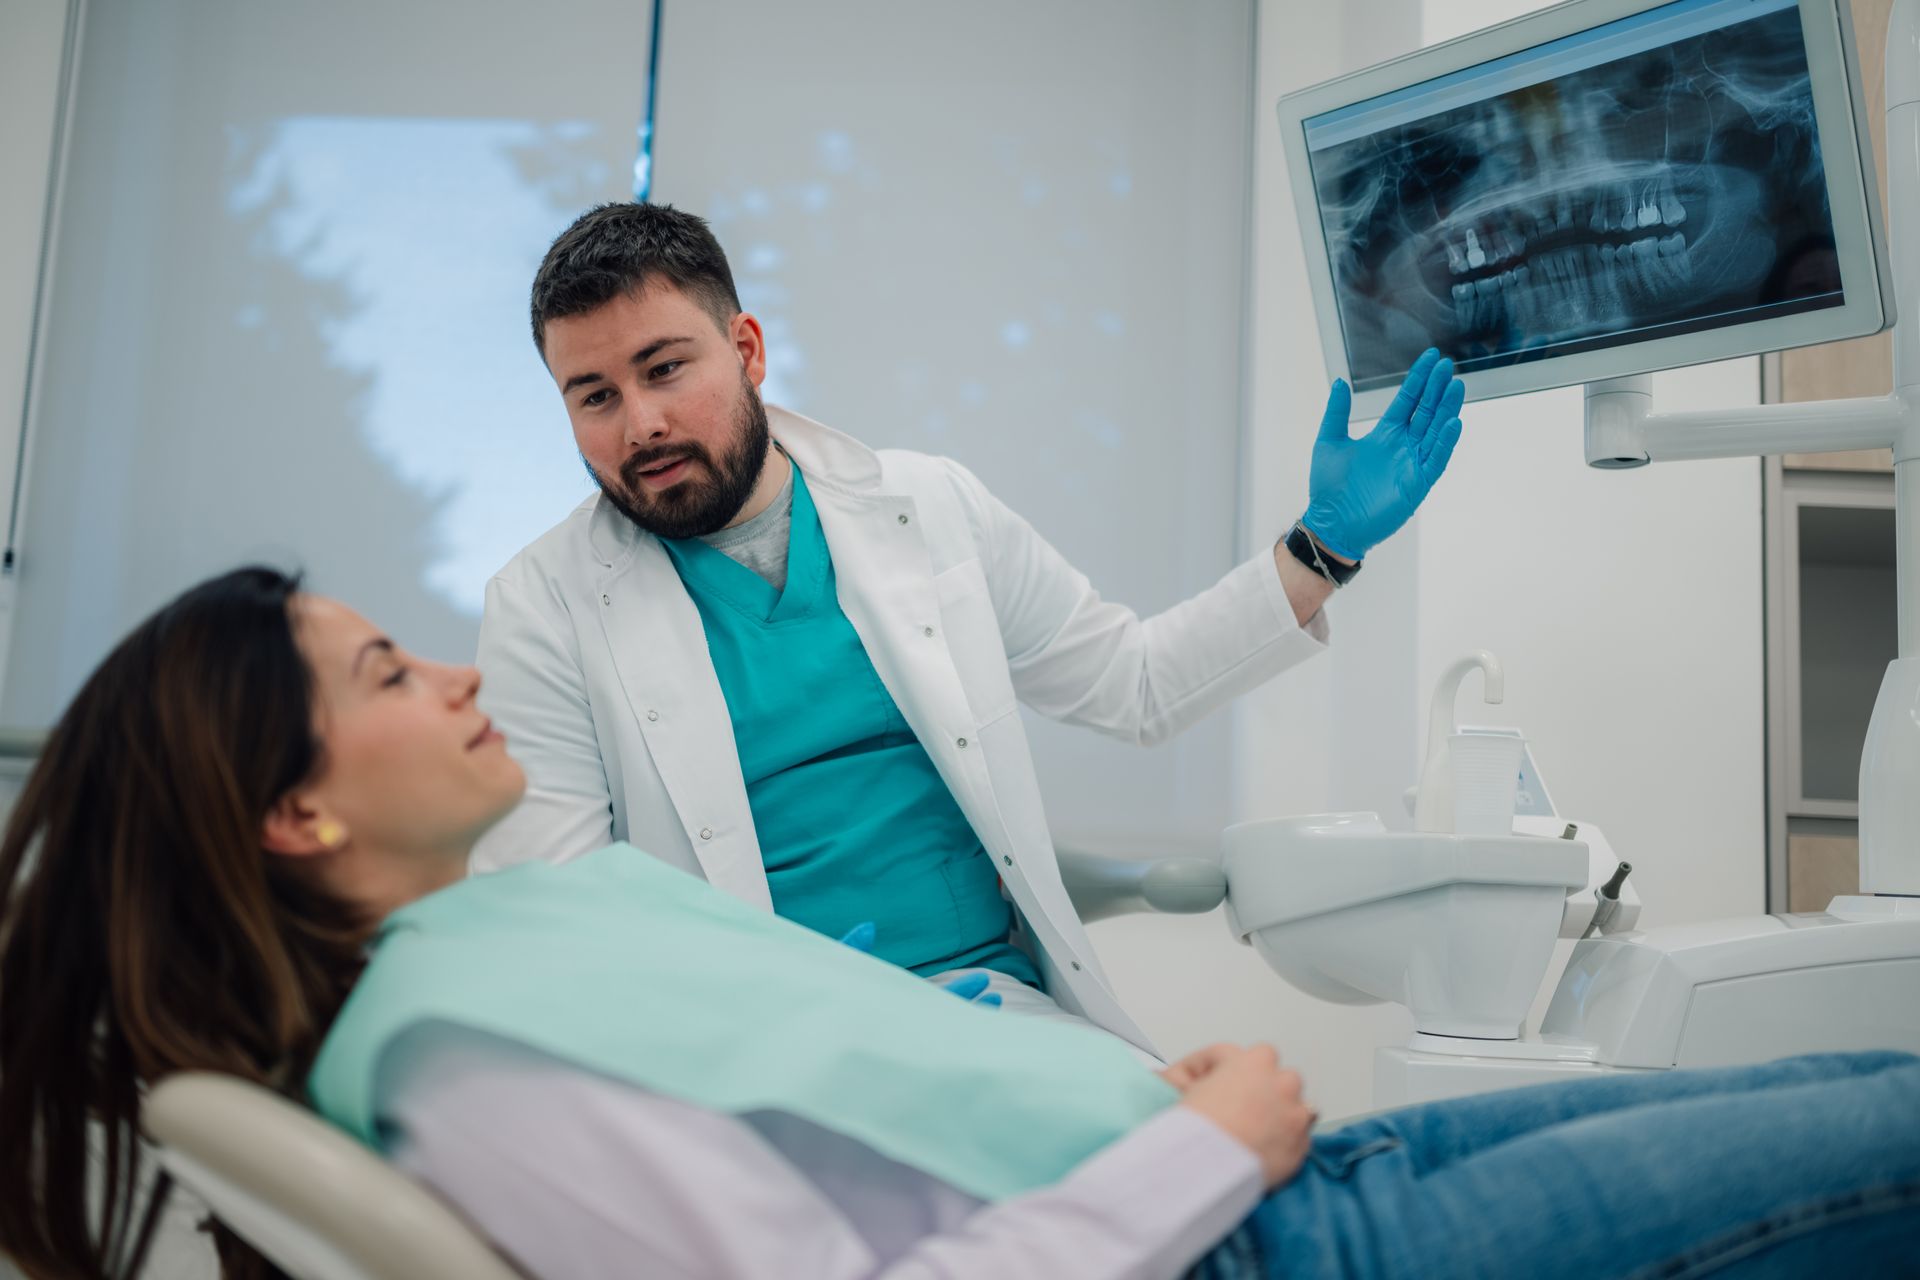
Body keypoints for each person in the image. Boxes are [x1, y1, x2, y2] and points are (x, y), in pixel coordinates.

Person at [0, 568, 1914, 1280]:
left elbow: (1132, 676)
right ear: (297, 810)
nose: (450, 674)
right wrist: (1198, 1153)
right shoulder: (455, 1054)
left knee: (1865, 1076)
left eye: (669, 365)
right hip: (1266, 1228)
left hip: (1249, 1169)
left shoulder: (504, 931)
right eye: (386, 671)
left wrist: (1314, 565)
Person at [474, 203, 1468, 1052]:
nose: (639, 423)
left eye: (663, 368)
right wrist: (788, 1025)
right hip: (766, 1053)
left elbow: (1133, 682)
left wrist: (1323, 547)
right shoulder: (544, 605)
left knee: (1225, 1161)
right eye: (595, 395)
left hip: (1001, 1012)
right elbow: (563, 925)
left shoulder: (927, 504)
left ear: (746, 351)